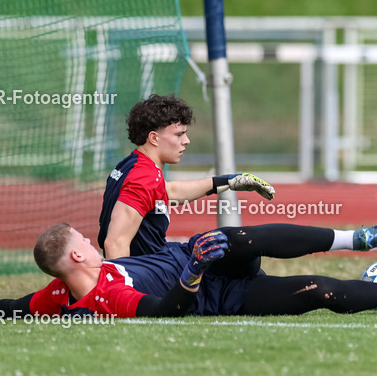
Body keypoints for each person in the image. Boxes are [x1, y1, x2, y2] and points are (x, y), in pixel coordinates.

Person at [0, 221, 377, 319]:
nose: (94, 245)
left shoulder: (56, 292)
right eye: (85, 243)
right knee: (317, 293)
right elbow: (165, 313)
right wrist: (191, 278)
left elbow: (14, 308)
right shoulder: (100, 298)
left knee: (232, 237)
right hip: (218, 294)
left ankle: (358, 239)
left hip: (207, 256)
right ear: (76, 257)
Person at [99, 94, 276, 259]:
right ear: (154, 138)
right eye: (179, 134)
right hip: (153, 272)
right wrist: (123, 290)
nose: (186, 140)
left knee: (239, 255)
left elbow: (171, 191)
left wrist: (227, 181)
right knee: (237, 250)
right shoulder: (144, 177)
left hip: (156, 261)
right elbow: (115, 243)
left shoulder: (132, 164)